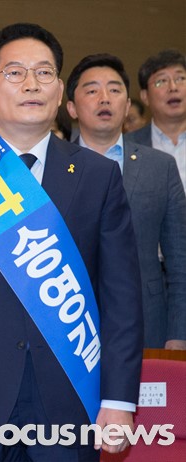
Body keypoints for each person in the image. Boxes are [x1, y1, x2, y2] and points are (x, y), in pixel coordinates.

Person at [0, 23, 143, 461]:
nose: (32, 84)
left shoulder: (98, 176)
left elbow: (122, 298)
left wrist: (118, 400)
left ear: (59, 91)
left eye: (44, 73)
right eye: (15, 73)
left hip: (72, 390)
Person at [66, 53, 186, 350]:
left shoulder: (160, 166)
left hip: (147, 323)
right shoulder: (53, 167)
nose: (104, 98)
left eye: (115, 89)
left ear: (129, 105)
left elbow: (180, 261)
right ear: (71, 107)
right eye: (92, 90)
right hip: (70, 325)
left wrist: (179, 334)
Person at [126, 49, 186, 187]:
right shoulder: (126, 147)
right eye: (161, 81)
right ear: (145, 96)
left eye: (180, 79)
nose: (173, 87)